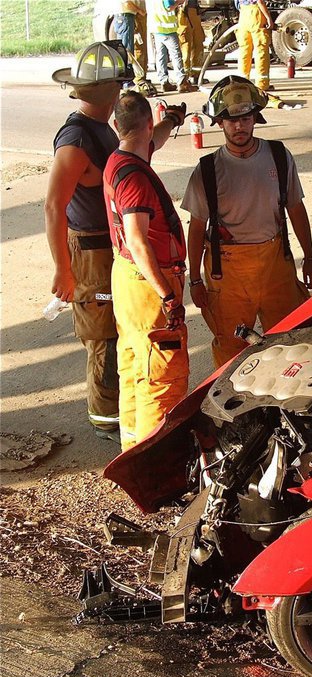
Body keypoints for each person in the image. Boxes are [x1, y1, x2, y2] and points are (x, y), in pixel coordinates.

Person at [181, 76, 312, 368]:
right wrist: (194, 279)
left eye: (245, 118)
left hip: (275, 266)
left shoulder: (279, 157)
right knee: (231, 348)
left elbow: (295, 207)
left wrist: (310, 257)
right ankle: (238, 413)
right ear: (219, 122)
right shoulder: (207, 170)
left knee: (290, 339)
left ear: (255, 117)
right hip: (227, 273)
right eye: (231, 120)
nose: (239, 126)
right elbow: (195, 228)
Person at [46, 41, 133, 442]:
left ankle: (116, 412)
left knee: (117, 328)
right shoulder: (76, 140)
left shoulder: (98, 130)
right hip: (91, 254)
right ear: (109, 91)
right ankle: (105, 422)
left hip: (107, 248)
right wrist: (64, 271)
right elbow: (53, 206)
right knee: (102, 336)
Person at [103, 90, 190, 450]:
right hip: (147, 284)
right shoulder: (136, 180)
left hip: (125, 280)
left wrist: (172, 118)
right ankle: (154, 458)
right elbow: (138, 242)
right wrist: (168, 295)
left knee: (135, 367)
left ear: (116, 126)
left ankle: (132, 448)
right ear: (146, 119)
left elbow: (155, 136)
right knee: (161, 374)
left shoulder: (120, 158)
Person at [148, 0, 196, 93]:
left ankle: (164, 82)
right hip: (168, 30)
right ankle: (182, 82)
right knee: (176, 56)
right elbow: (168, 7)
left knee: (161, 57)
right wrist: (179, 2)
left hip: (157, 29)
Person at [236, 0, 273, 94]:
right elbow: (260, 1)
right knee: (261, 49)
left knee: (245, 49)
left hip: (243, 15)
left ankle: (242, 82)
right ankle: (262, 84)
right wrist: (268, 18)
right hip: (256, 14)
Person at [177, 0, 205, 84]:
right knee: (186, 45)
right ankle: (185, 76)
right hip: (183, 12)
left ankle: (196, 75)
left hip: (194, 10)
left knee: (198, 43)